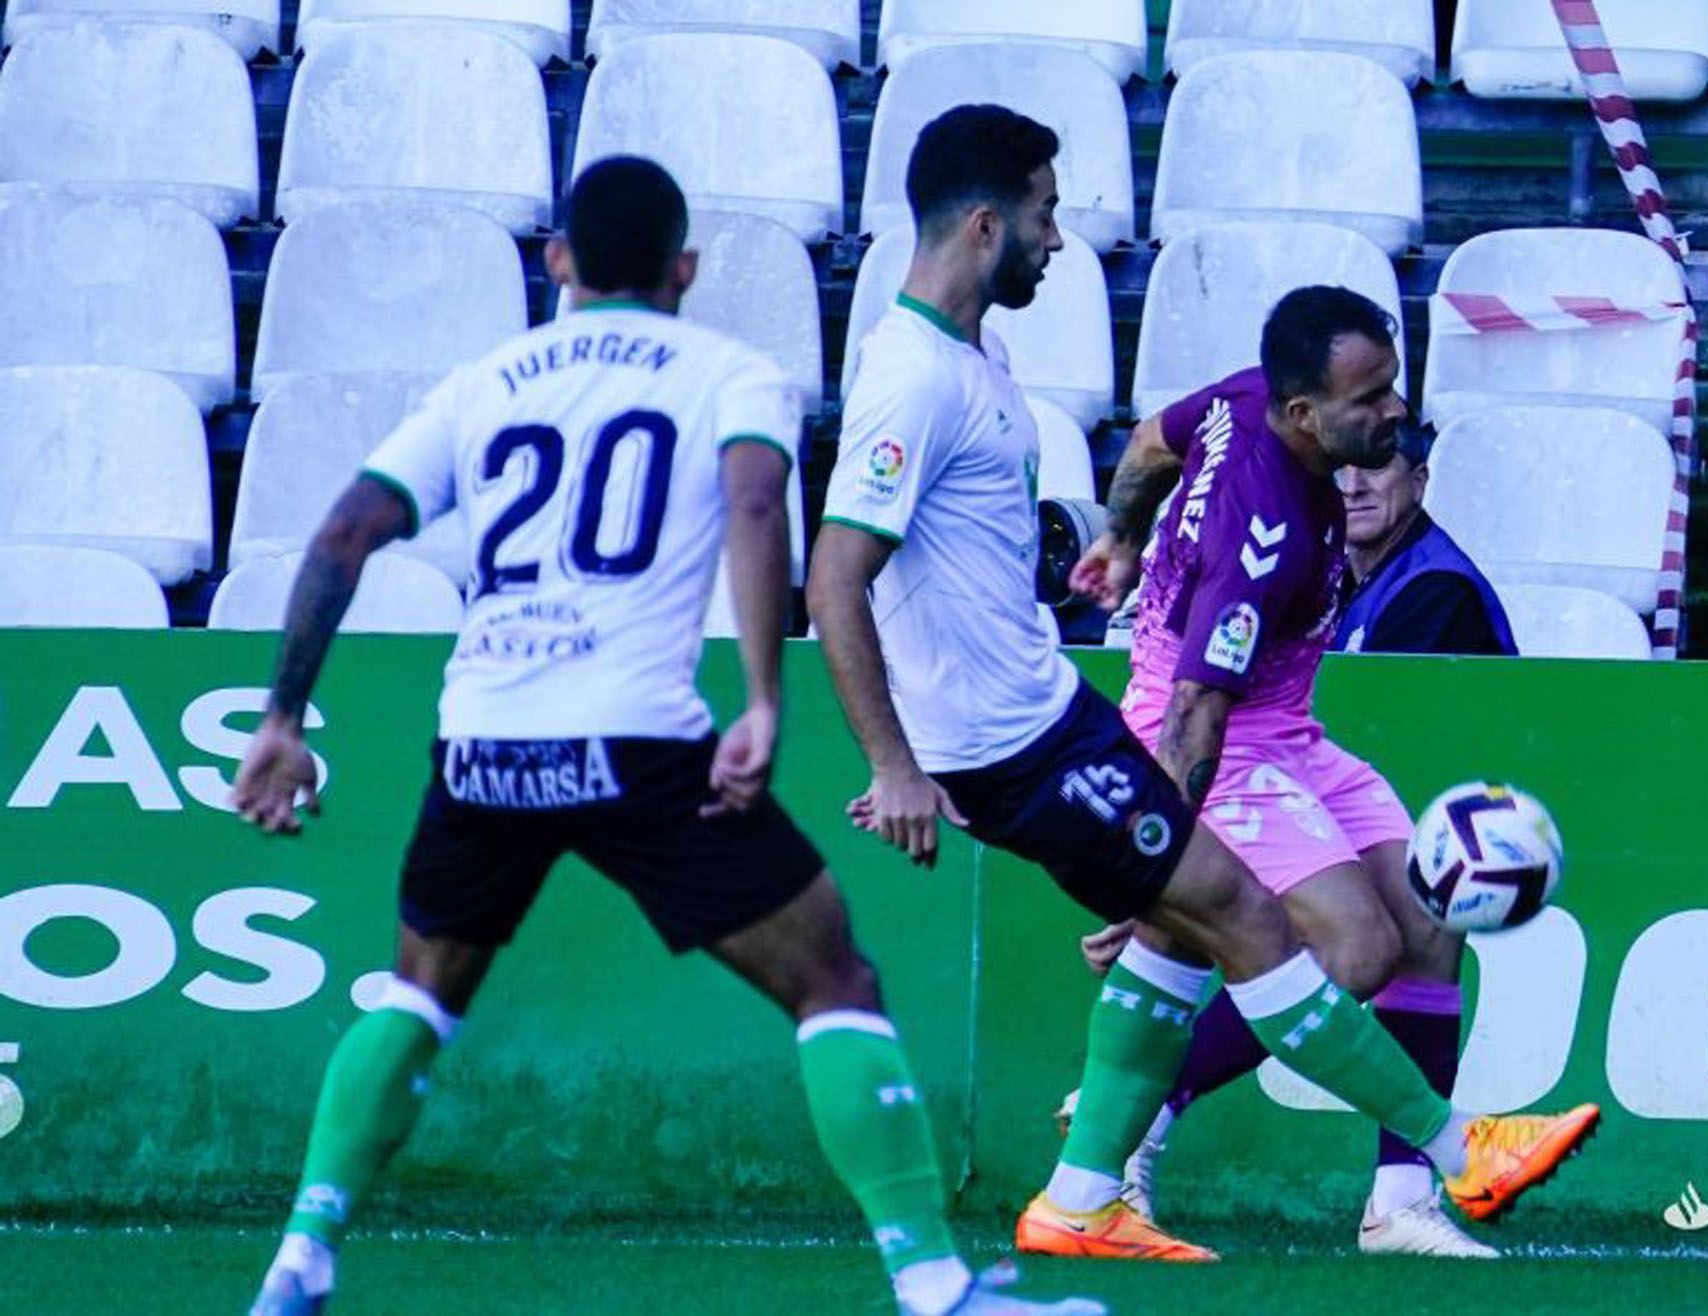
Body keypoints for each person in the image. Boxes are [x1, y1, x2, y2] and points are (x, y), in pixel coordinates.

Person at [233, 157, 1101, 1316]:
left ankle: (302, 1255)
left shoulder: (484, 381)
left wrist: (283, 716)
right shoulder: (729, 372)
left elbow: (345, 530)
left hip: (485, 734)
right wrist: (760, 696)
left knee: (415, 995)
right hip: (637, 734)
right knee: (832, 978)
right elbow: (754, 505)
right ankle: (933, 1282)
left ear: (558, 262)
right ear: (684, 269)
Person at [807, 105, 1595, 1266]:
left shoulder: (981, 357)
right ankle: (1457, 1143)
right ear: (984, 225)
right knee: (1242, 917)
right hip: (1011, 745)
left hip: (1045, 708)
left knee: (1209, 930)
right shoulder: (916, 383)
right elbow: (835, 573)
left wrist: (1117, 540)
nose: (1060, 239)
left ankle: (1090, 1195)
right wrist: (893, 758)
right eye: (1043, 212)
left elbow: (1145, 448)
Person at [1066, 380, 1544, 1259]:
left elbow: (1143, 444)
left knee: (1430, 919)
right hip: (1219, 734)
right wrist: (1148, 881)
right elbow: (1194, 714)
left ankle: (1399, 1207)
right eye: (1373, 399)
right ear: (1307, 415)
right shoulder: (1267, 532)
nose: (1394, 411)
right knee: (1356, 951)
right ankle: (1132, 1122)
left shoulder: (1244, 400)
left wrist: (1121, 538)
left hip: (1286, 728)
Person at [1331, 421, 1516, 656]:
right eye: (1335, 468)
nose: (1352, 487)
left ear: (1419, 482)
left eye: (1374, 465)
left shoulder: (1439, 593)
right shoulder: (1340, 579)